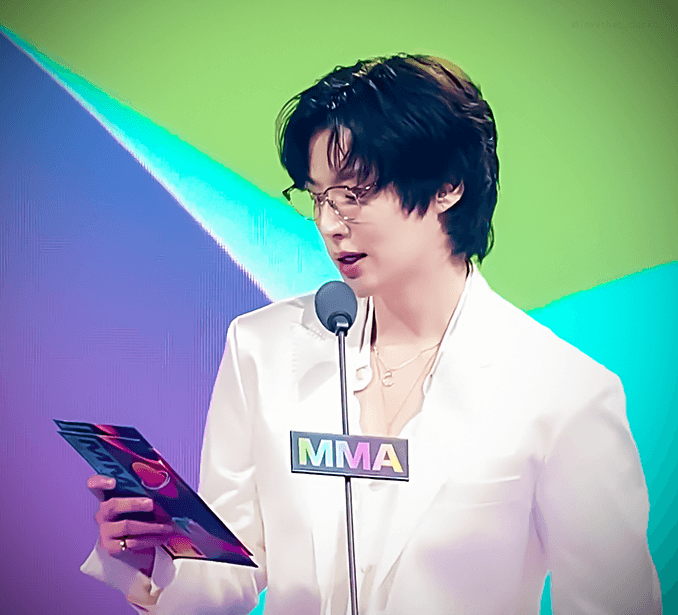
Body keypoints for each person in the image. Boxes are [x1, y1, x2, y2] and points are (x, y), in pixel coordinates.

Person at [81, 54, 662, 614]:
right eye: (318, 197)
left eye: (354, 195)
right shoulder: (261, 347)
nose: (330, 225)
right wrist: (155, 554)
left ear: (448, 184)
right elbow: (230, 571)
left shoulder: (565, 391)